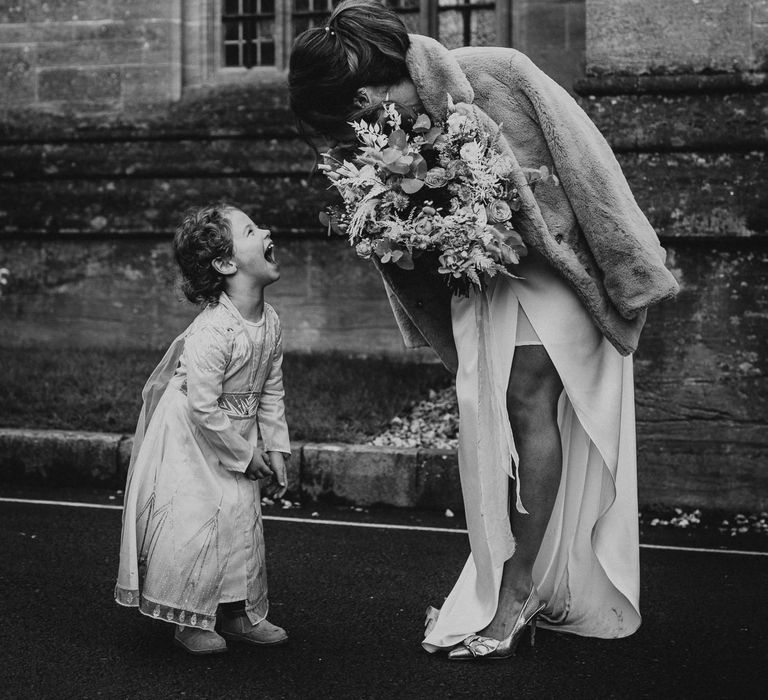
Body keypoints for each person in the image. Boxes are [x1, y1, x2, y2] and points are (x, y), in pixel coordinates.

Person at [289, 0, 679, 660]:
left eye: (349, 111)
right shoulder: (385, 136)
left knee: (528, 405)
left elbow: (587, 164)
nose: (354, 127)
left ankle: (518, 589)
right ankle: (513, 575)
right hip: (484, 288)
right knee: (487, 423)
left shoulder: (498, 71)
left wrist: (632, 269)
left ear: (360, 86)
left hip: (557, 273)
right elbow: (400, 245)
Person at [115, 204, 291, 655]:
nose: (267, 230)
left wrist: (275, 447)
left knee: (239, 520)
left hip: (237, 431)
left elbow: (271, 391)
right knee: (196, 521)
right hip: (193, 437)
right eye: (252, 230)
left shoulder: (269, 322)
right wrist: (242, 455)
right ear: (226, 264)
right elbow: (202, 407)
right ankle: (189, 617)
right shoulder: (212, 332)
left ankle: (236, 612)